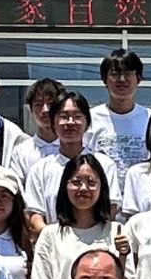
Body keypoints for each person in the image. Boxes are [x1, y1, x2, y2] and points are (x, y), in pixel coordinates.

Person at [29, 154, 126, 279]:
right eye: (76, 182)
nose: (83, 188)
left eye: (91, 182)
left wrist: (123, 255)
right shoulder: (50, 234)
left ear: (102, 188)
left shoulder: (116, 231)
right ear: (65, 186)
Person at [23, 91, 122, 229]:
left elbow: (110, 208)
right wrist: (54, 238)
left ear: (87, 123)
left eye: (77, 117)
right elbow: (35, 216)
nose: (70, 122)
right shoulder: (40, 169)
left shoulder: (105, 164)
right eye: (63, 117)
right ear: (53, 123)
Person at [89, 47, 151, 170]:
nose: (122, 79)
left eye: (128, 73)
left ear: (138, 78)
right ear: (104, 79)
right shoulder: (91, 119)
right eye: (115, 74)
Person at [9, 77, 68, 178]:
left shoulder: (74, 148)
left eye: (50, 104)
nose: (45, 110)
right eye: (38, 104)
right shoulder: (21, 152)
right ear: (30, 109)